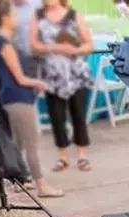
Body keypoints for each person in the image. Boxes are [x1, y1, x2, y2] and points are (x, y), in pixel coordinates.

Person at [0, 0, 63, 198]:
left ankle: (18, 180)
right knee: (31, 144)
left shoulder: (1, 42)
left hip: (12, 100)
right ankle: (42, 186)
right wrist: (39, 83)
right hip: (18, 100)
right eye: (14, 14)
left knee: (19, 142)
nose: (17, 17)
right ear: (5, 18)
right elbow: (19, 78)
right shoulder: (5, 44)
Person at [31, 0, 96, 173]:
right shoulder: (37, 17)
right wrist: (55, 47)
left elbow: (89, 44)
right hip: (52, 76)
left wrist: (74, 50)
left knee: (78, 115)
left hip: (76, 74)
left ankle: (82, 156)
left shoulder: (74, 16)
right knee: (56, 117)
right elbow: (34, 44)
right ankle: (63, 157)